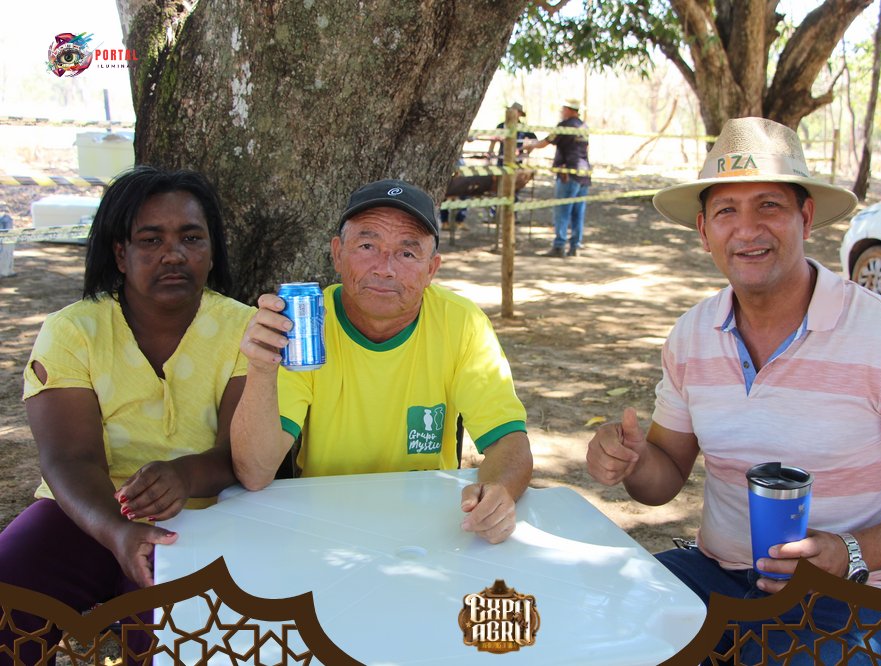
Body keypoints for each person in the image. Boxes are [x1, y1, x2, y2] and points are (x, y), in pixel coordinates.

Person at [586, 117, 881, 664]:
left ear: (805, 217)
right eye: (727, 211)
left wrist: (850, 552)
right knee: (589, 630)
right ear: (705, 231)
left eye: (769, 206)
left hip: (854, 600)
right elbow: (662, 480)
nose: (748, 229)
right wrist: (633, 461)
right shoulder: (692, 335)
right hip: (717, 578)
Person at [0, 166, 255, 664]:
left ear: (211, 251)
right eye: (151, 240)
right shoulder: (73, 331)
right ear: (121, 253)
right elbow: (68, 458)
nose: (173, 254)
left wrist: (185, 475)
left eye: (191, 238)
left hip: (205, 515)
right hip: (83, 508)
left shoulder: (245, 330)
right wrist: (117, 531)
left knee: (180, 641)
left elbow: (240, 454)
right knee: (9, 595)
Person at [232, 178, 533, 544]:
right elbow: (255, 471)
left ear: (431, 269)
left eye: (407, 253)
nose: (385, 268)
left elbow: (508, 441)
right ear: (337, 254)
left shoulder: (462, 323)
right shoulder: (307, 325)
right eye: (367, 246)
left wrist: (498, 491)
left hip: (428, 525)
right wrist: (260, 369)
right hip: (323, 525)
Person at [525, 99, 591, 257]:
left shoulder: (564, 126)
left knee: (562, 211)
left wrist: (530, 145)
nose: (562, 111)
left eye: (564, 109)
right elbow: (586, 148)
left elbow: (546, 141)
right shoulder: (584, 127)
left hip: (568, 173)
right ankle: (575, 246)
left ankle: (559, 245)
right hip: (584, 173)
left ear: (570, 110)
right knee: (578, 212)